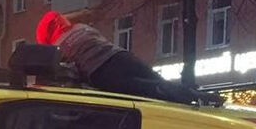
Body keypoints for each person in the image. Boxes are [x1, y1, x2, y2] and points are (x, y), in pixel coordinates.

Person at [36, 11, 221, 106]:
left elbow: (71, 75)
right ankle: (195, 94)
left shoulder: (58, 47)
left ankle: (194, 99)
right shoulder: (82, 27)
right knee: (157, 81)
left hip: (103, 72)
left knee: (150, 90)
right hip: (121, 57)